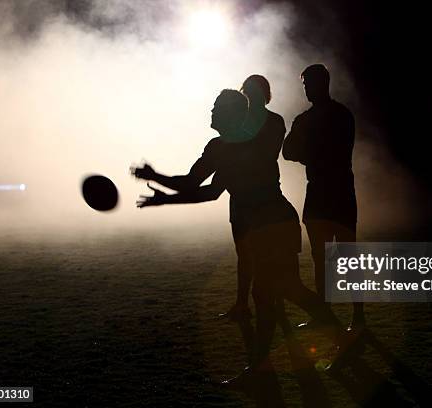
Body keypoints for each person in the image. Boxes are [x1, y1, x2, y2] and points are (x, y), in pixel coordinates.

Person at [132, 89, 351, 378]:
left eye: (217, 108)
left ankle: (268, 366)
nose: (211, 112)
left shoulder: (231, 147)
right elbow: (200, 186)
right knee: (278, 292)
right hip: (274, 223)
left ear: (230, 114)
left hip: (270, 225)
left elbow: (203, 190)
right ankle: (274, 362)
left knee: (275, 292)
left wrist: (161, 191)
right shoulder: (227, 146)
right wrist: (157, 183)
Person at [282, 64, 364, 330]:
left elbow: (293, 151)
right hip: (330, 190)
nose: (305, 89)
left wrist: (311, 153)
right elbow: (289, 152)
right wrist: (316, 153)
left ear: (321, 83)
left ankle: (351, 315)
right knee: (326, 255)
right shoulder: (340, 115)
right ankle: (344, 315)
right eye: (305, 84)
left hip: (327, 191)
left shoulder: (313, 119)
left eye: (308, 84)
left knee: (338, 255)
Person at [217, 75, 287, 322]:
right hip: (242, 196)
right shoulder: (256, 122)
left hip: (263, 196)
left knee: (263, 255)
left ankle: (270, 303)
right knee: (244, 254)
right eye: (247, 91)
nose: (250, 96)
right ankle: (243, 304)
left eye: (253, 91)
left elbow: (268, 155)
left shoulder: (273, 121)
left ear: (264, 94)